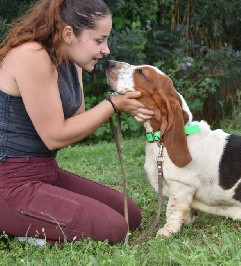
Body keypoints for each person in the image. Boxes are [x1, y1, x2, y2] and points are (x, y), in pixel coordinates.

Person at [0, 0, 154, 246]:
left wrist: (118, 103)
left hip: (46, 172)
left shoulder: (70, 59)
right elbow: (54, 136)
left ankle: (30, 225)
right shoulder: (32, 56)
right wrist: (113, 105)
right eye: (99, 40)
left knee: (130, 215)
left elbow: (74, 124)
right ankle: (19, 233)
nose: (106, 50)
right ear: (69, 33)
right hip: (10, 183)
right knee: (112, 229)